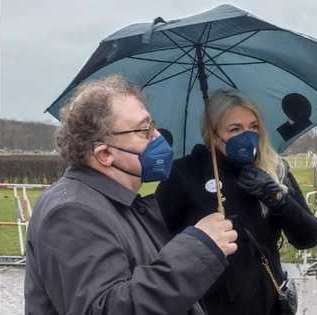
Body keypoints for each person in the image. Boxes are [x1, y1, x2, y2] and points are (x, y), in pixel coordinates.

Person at [25, 75, 238, 315]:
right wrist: (199, 249)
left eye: (152, 125)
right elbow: (106, 309)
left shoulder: (117, 203)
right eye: (144, 130)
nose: (158, 137)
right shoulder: (72, 213)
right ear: (105, 154)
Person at [155, 88, 317, 315]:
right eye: (235, 129)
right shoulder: (184, 173)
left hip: (269, 304)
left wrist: (277, 198)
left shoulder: (274, 168)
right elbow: (157, 243)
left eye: (254, 127)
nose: (248, 135)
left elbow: (308, 238)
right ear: (213, 134)